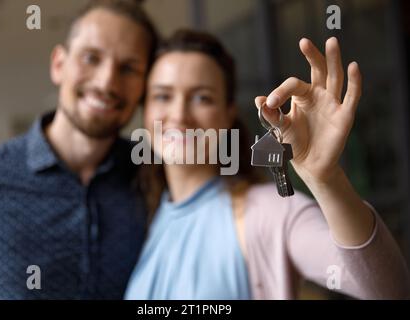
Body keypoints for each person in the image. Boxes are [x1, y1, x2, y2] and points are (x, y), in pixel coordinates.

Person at [124, 29, 410, 299]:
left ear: (227, 114)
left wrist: (326, 178)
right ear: (145, 109)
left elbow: (389, 290)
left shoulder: (270, 213)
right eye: (162, 96)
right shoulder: (145, 216)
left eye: (202, 97)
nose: (178, 115)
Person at [0, 0, 158, 299]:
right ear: (58, 65)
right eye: (92, 58)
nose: (107, 82)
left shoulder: (156, 175)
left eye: (129, 68)